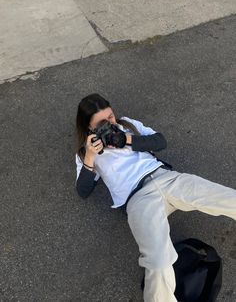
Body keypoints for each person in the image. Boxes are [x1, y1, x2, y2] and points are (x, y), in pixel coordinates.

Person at [75, 93, 236, 302]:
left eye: (111, 116)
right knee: (158, 262)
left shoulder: (127, 125)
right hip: (138, 199)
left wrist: (127, 140)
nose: (111, 123)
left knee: (224, 197)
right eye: (103, 122)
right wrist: (89, 156)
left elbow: (160, 141)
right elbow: (83, 190)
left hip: (166, 178)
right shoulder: (86, 152)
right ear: (89, 128)